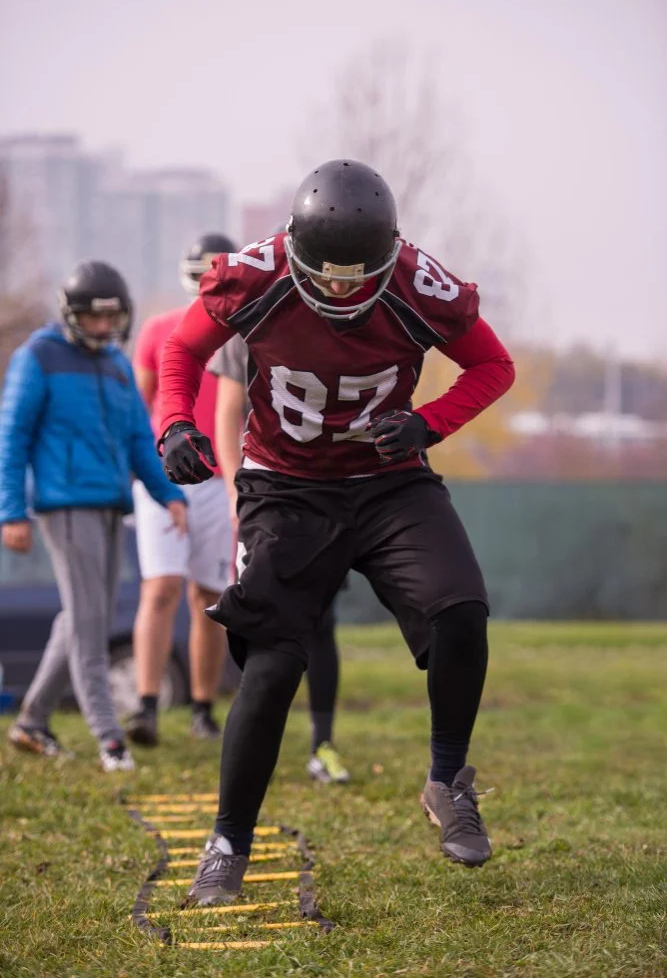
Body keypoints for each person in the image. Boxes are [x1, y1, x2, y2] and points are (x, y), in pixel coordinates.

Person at [157, 159, 516, 904]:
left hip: (387, 484)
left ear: (390, 251)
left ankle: (447, 778)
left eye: (361, 276)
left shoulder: (421, 284)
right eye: (330, 276)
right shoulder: (256, 277)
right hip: (284, 487)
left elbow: (492, 366)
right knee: (273, 663)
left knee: (460, 611)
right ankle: (228, 841)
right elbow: (180, 350)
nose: (344, 290)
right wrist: (172, 424)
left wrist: (426, 422)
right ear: (296, 249)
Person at [0, 261, 186, 771]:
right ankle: (109, 738)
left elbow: (136, 440)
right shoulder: (37, 356)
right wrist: (10, 510)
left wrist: (169, 493)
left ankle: (32, 721)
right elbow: (11, 435)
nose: (103, 328)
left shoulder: (116, 365)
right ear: (71, 314)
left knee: (82, 618)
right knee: (90, 623)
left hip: (109, 504)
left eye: (112, 318)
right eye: (93, 318)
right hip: (64, 506)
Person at [211, 332, 349, 783]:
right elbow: (227, 414)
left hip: (330, 489)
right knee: (260, 621)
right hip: (270, 493)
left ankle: (322, 744)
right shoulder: (250, 321)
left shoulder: (344, 319)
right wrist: (238, 492)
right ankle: (252, 741)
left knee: (321, 622)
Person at [126, 233, 236, 746]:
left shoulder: (245, 332)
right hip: (163, 477)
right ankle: (146, 704)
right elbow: (138, 406)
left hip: (218, 478)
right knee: (161, 587)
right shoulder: (159, 328)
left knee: (210, 597)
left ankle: (201, 707)